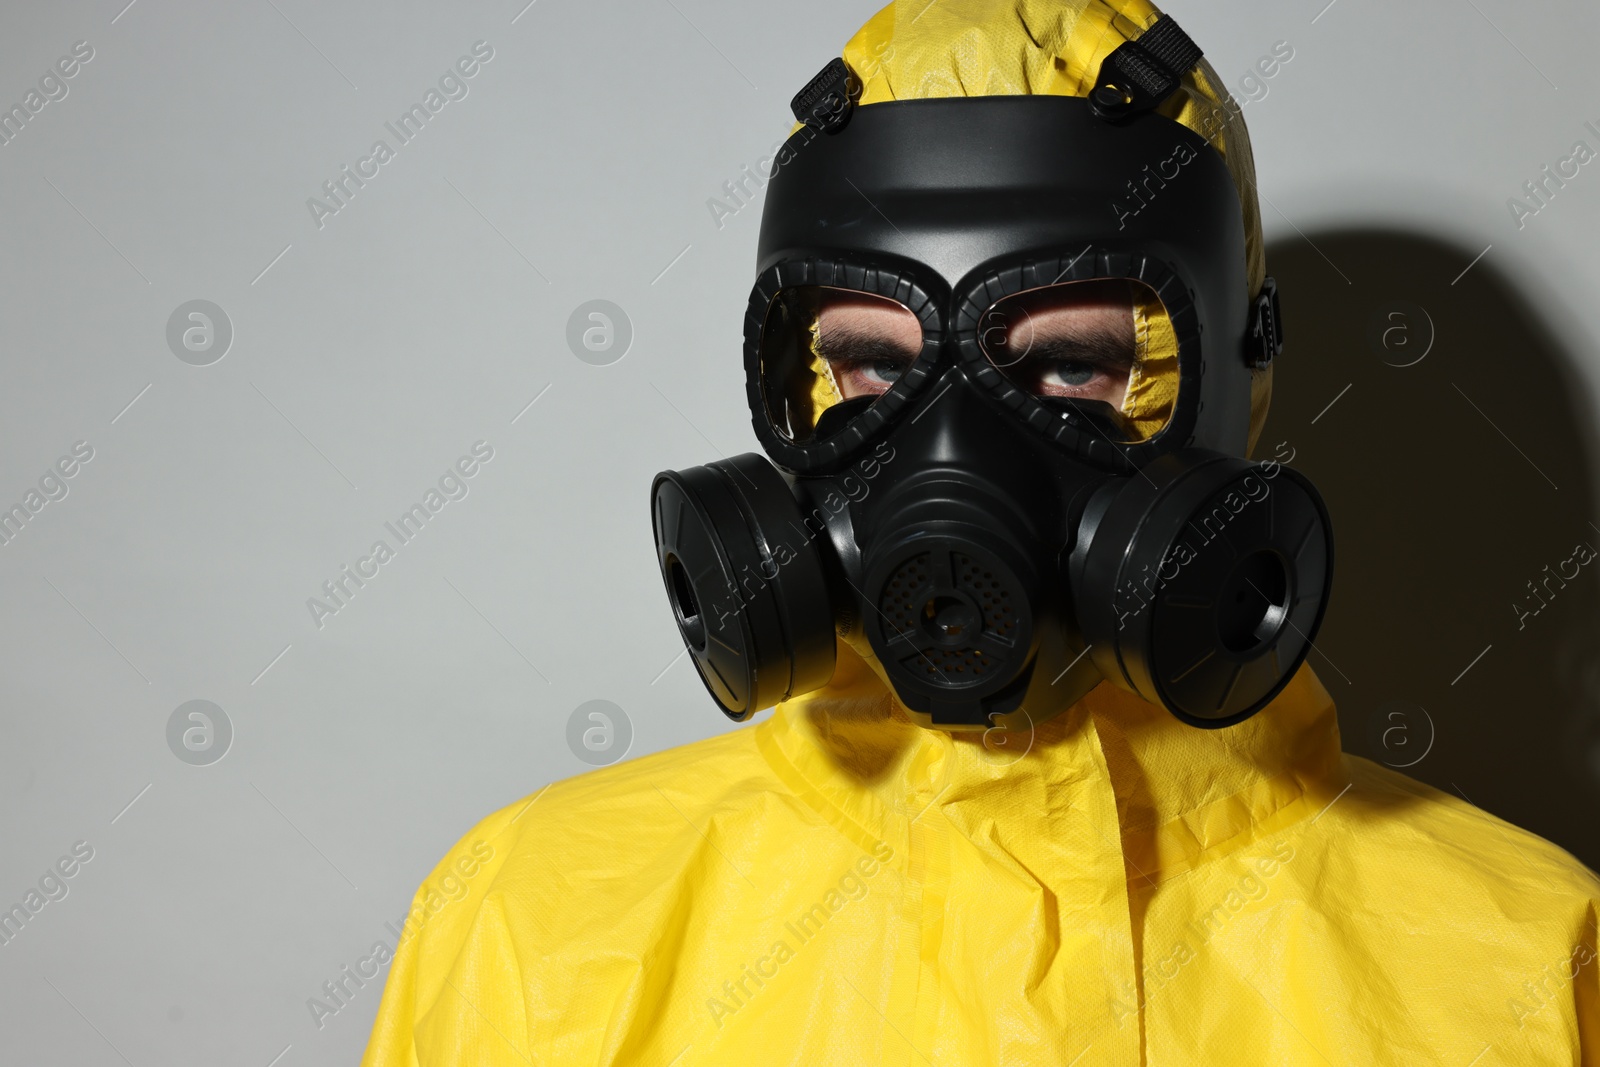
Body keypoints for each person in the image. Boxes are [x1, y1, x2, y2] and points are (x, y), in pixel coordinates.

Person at [362, 2, 1600, 1063]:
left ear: (1238, 373)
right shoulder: (529, 923)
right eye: (864, 365)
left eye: (1068, 364)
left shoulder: (1522, 965)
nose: (946, 459)